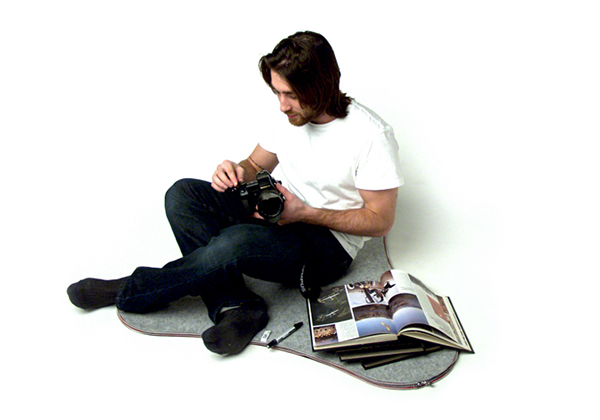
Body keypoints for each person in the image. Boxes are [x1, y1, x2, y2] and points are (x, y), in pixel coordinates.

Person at [67, 31, 403, 355]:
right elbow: (255, 164)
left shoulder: (370, 136)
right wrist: (235, 171)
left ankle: (132, 289)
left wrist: (305, 213)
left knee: (233, 243)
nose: (282, 105)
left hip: (327, 246)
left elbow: (380, 221)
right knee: (182, 194)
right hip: (280, 213)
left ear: (321, 85)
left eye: (290, 95)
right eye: (277, 93)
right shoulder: (291, 117)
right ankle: (238, 306)